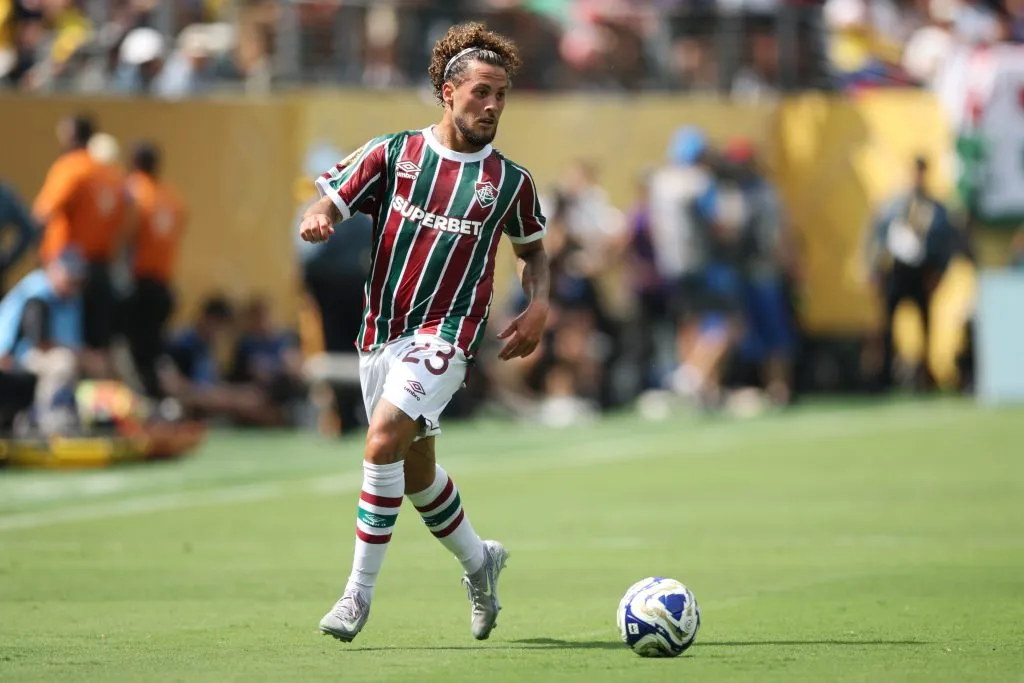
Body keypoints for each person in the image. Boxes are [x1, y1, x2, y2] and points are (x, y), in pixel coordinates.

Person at [299, 22, 550, 643]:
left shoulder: (510, 183)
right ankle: (479, 562)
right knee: (415, 474)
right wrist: (319, 214)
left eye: (501, 96)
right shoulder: (394, 153)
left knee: (382, 440)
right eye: (481, 93)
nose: (492, 106)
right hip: (381, 335)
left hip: (449, 337)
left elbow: (534, 252)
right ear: (448, 91)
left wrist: (539, 305)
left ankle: (356, 596)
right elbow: (333, 197)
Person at [32, 113, 128, 370]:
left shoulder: (71, 167)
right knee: (95, 346)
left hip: (67, 267)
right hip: (101, 267)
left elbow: (43, 212)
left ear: (73, 134)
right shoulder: (113, 175)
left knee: (59, 342)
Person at [865, 155, 957, 390]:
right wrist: (873, 269)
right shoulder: (893, 204)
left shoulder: (936, 208)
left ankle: (925, 375)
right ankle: (884, 375)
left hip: (922, 273)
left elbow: (945, 243)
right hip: (895, 272)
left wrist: (940, 273)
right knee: (887, 327)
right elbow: (876, 236)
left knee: (926, 326)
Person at [122, 142, 186, 399]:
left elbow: (124, 236)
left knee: (132, 348)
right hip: (162, 282)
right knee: (155, 347)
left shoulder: (135, 192)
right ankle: (163, 396)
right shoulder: (170, 197)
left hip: (138, 284)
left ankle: (144, 398)